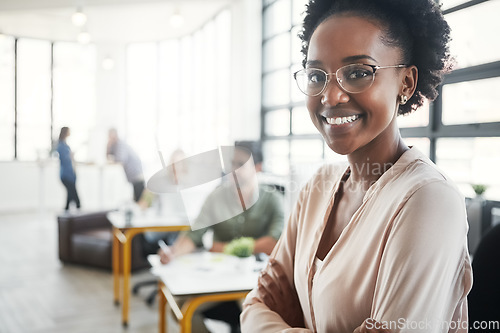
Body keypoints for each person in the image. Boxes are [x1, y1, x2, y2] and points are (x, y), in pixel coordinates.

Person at [241, 1, 472, 332]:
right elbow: (255, 305)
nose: (331, 96)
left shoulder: (428, 199)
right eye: (316, 75)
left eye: (359, 72)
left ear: (406, 83)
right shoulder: (318, 186)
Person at [158, 141, 285, 333]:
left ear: (257, 168)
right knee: (179, 307)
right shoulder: (216, 196)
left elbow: (273, 243)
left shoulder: (273, 199)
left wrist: (224, 248)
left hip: (255, 284)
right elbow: (194, 235)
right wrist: (173, 252)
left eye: (241, 164)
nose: (234, 169)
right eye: (232, 163)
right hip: (219, 280)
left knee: (256, 314)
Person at [106, 128, 145, 202]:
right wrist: (108, 146)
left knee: (139, 200)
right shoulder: (114, 145)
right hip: (133, 177)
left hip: (137, 175)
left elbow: (121, 161)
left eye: (110, 136)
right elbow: (108, 156)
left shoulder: (120, 145)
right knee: (136, 199)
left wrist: (112, 162)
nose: (109, 138)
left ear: (115, 134)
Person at [57, 127, 81, 211]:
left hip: (70, 174)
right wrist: (71, 155)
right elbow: (65, 159)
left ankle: (66, 214)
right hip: (66, 175)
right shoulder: (61, 145)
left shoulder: (65, 145)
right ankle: (79, 215)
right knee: (76, 199)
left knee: (69, 196)